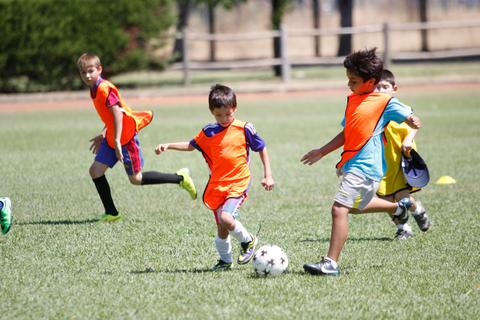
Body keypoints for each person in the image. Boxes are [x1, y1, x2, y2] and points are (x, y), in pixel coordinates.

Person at [301, 48, 421, 276]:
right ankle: (398, 207)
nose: (349, 84)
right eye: (348, 79)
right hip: (353, 166)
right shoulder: (353, 100)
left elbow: (408, 114)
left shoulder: (384, 102)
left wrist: (412, 120)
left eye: (353, 81)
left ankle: (330, 263)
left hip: (365, 167)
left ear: (371, 82)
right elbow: (348, 133)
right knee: (355, 208)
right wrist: (322, 151)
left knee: (339, 210)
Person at [155, 84, 275, 271]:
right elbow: (191, 145)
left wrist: (268, 175)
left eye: (228, 114)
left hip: (238, 181)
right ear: (212, 112)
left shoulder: (244, 128)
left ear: (234, 108)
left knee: (226, 218)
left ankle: (249, 241)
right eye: (219, 115)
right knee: (222, 228)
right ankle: (225, 261)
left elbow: (261, 147)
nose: (224, 119)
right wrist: (168, 145)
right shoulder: (208, 132)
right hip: (217, 185)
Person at [77, 53, 197, 223]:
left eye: (90, 71)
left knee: (136, 179)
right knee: (95, 171)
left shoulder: (104, 89)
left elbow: (118, 113)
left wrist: (117, 140)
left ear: (99, 69)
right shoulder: (93, 89)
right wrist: (104, 134)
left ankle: (180, 178)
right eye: (83, 73)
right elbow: (111, 116)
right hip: (112, 137)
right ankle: (112, 213)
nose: (87, 76)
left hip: (125, 139)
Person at [375, 69, 430, 240]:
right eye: (376, 87)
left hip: (400, 158)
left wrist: (408, 140)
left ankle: (418, 210)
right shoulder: (372, 110)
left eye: (384, 87)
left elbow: (414, 124)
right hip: (382, 161)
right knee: (386, 199)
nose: (380, 91)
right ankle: (403, 228)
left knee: (402, 196)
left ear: (394, 88)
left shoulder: (398, 107)